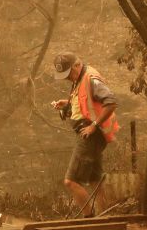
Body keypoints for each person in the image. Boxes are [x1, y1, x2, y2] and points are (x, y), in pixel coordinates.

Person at [50, 52, 120, 217]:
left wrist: (94, 126)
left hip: (90, 135)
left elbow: (111, 102)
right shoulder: (79, 79)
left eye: (68, 74)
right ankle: (105, 218)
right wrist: (66, 104)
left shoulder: (91, 78)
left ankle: (88, 219)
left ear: (77, 65)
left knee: (71, 181)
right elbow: (86, 103)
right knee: (96, 180)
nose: (67, 78)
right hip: (91, 134)